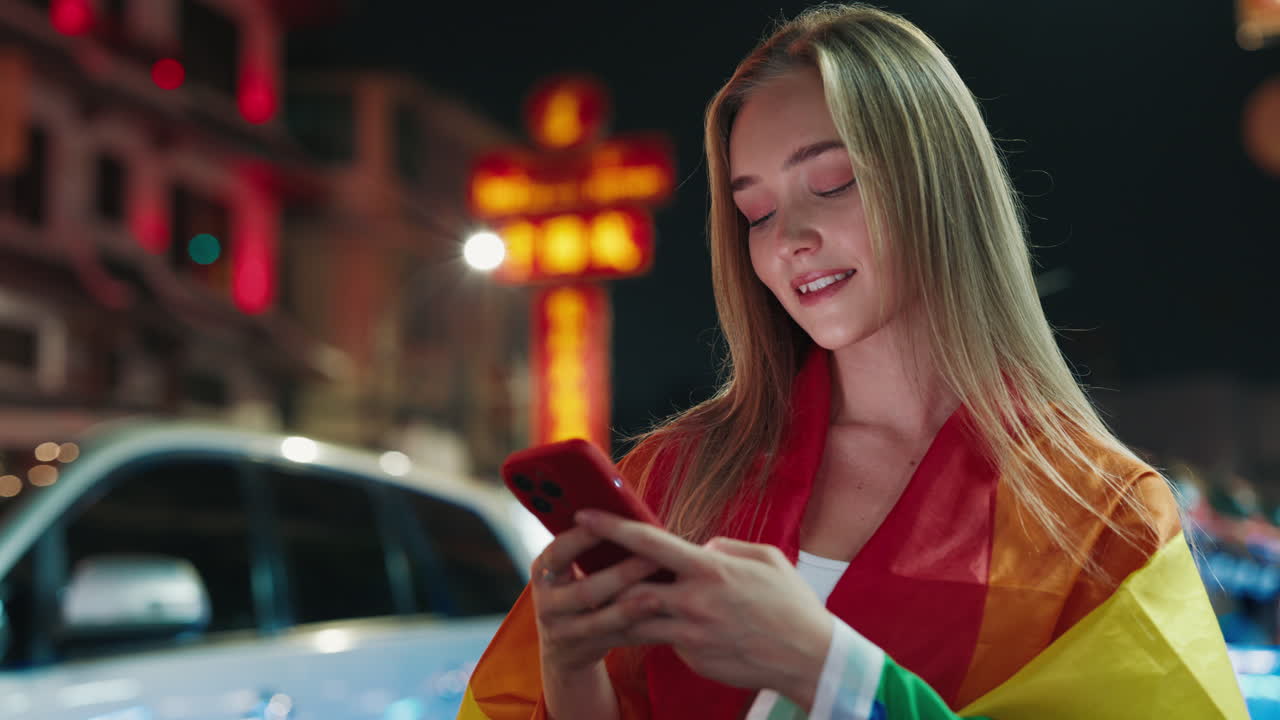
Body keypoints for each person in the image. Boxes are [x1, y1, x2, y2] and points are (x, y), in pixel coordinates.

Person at [458, 5, 1247, 719]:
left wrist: (828, 668)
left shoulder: (1099, 518)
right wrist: (569, 670)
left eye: (831, 183)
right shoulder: (676, 475)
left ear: (937, 183)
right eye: (755, 211)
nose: (787, 238)